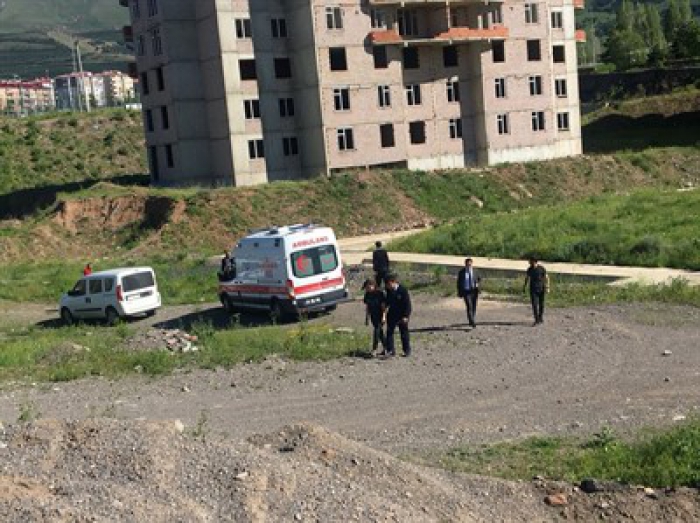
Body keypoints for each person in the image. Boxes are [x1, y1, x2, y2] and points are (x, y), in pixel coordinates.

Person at [384, 274, 412, 357]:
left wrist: (406, 316)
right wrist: (384, 304)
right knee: (389, 332)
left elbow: (408, 305)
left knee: (404, 333)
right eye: (386, 285)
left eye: (388, 284)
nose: (387, 286)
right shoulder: (388, 290)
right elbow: (388, 301)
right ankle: (390, 350)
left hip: (402, 315)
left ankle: (406, 350)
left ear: (393, 282)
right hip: (392, 314)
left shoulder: (403, 290)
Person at [363, 279, 387, 354]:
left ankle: (374, 349)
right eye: (366, 288)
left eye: (368, 287)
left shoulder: (380, 293)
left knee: (376, 331)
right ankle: (386, 348)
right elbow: (367, 307)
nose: (367, 289)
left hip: (380, 315)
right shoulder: (367, 294)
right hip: (373, 316)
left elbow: (383, 306)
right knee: (380, 333)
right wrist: (367, 318)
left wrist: (383, 316)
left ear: (372, 285)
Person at [523, 257, 550, 325]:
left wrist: (548, 287)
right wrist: (524, 286)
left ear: (534, 261)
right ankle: (536, 319)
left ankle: (540, 317)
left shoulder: (541, 269)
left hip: (541, 288)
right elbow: (527, 278)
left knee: (541, 304)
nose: (529, 262)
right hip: (533, 289)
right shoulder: (529, 269)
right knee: (534, 305)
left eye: (530, 261)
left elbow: (547, 278)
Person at [457, 258, 481, 328]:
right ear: (465, 264)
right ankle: (472, 321)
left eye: (470, 264)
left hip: (474, 291)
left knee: (474, 306)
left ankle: (471, 319)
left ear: (471, 264)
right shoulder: (462, 272)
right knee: (469, 306)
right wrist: (459, 292)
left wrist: (477, 283)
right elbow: (458, 283)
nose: (469, 265)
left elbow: (479, 278)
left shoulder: (475, 271)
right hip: (466, 291)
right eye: (467, 264)